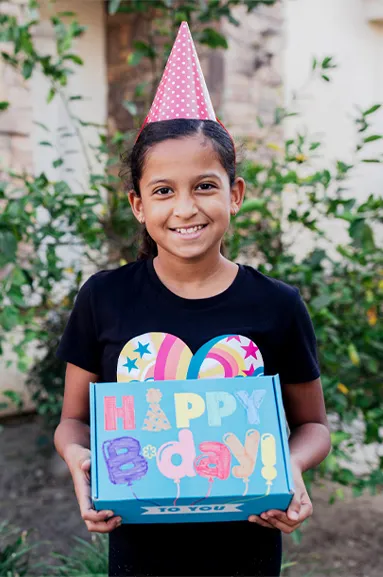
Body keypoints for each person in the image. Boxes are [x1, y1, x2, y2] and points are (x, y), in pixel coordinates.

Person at [54, 21, 331, 577]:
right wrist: (81, 461)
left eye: (204, 185)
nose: (186, 208)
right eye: (163, 191)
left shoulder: (276, 305)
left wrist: (292, 467)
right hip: (140, 555)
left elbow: (314, 427)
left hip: (247, 551)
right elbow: (73, 422)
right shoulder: (104, 298)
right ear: (138, 205)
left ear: (235, 193)